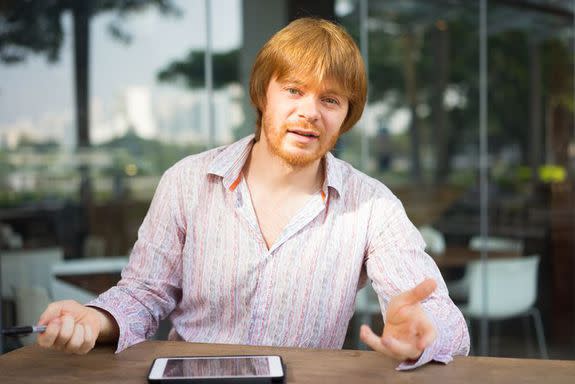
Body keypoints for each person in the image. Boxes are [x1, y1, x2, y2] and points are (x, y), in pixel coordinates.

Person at [37, 17, 469, 370]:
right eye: (294, 90)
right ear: (265, 92)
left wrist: (424, 327)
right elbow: (143, 294)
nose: (309, 112)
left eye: (331, 100)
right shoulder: (187, 182)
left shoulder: (372, 206)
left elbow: (443, 318)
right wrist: (96, 318)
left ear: (346, 117)